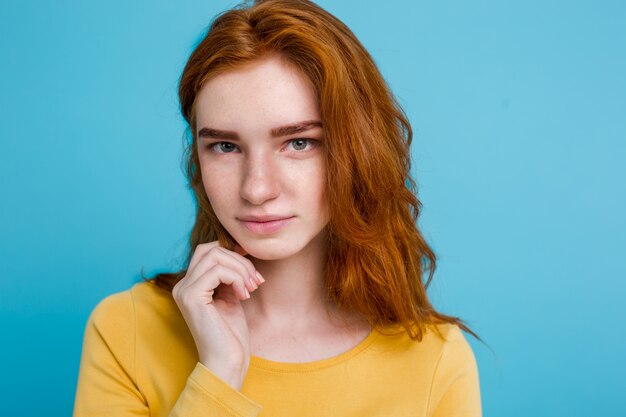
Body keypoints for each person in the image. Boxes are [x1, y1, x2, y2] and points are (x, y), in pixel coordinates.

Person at [73, 0, 482, 416]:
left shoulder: (434, 360)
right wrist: (218, 375)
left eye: (298, 143)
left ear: (358, 150)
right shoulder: (127, 331)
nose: (257, 188)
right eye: (225, 146)